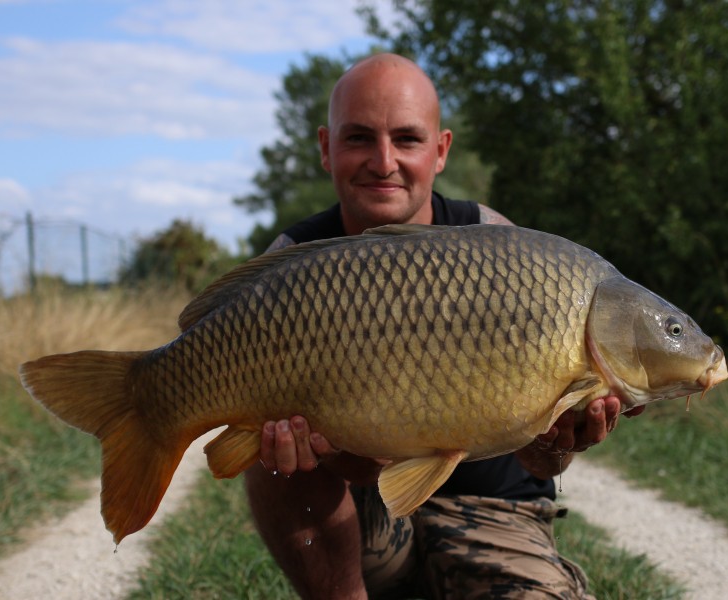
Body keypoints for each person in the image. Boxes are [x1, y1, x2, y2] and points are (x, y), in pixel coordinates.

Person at [243, 53, 643, 600]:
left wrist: (556, 443)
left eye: (407, 139)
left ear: (440, 150)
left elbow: (538, 458)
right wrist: (331, 449)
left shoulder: (499, 243)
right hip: (363, 527)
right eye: (359, 137)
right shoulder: (292, 266)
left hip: (494, 512)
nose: (383, 162)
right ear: (325, 147)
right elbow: (365, 468)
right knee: (262, 440)